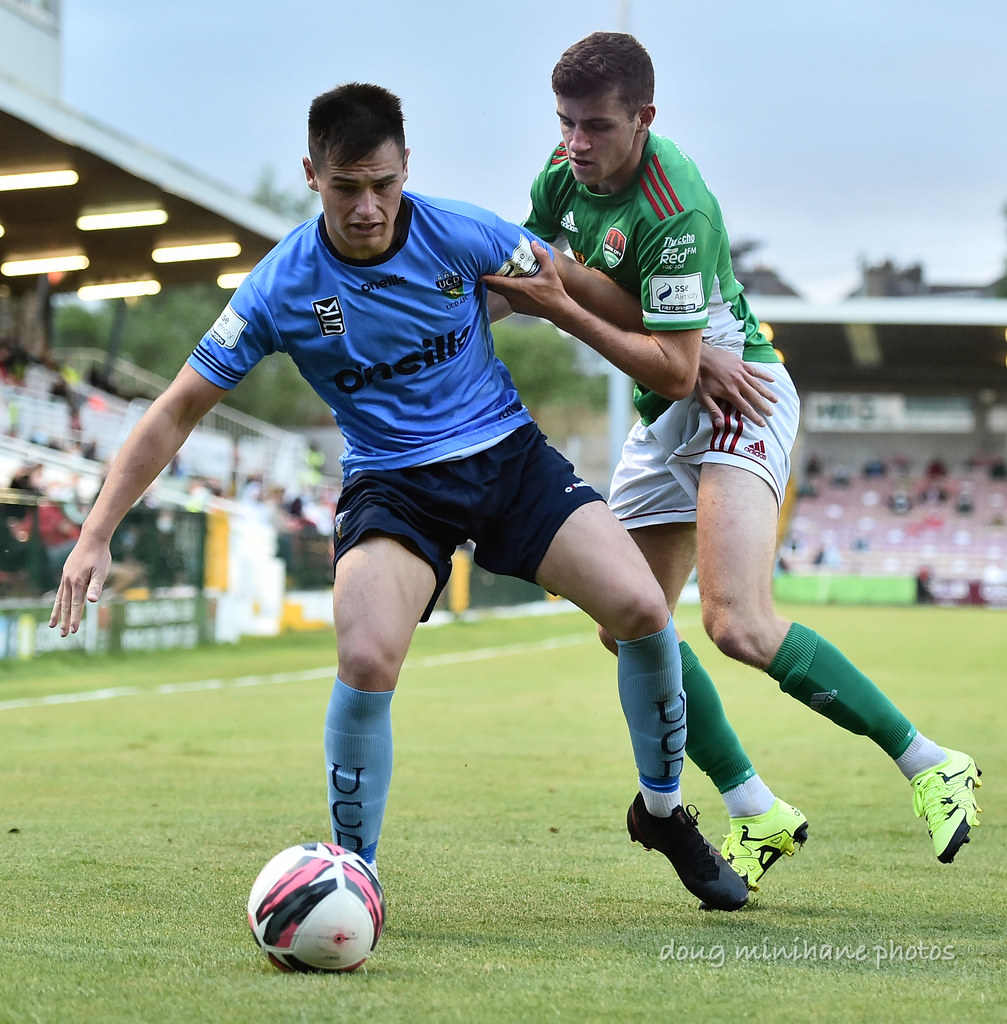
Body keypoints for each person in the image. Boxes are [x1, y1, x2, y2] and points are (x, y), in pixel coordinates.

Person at [49, 83, 749, 912]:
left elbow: (571, 284)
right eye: (347, 188)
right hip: (392, 483)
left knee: (640, 607)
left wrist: (685, 350)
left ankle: (663, 813)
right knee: (366, 657)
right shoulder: (280, 287)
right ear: (312, 175)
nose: (368, 208)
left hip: (507, 457)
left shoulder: (465, 232)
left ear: (406, 167)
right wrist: (95, 532)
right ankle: (351, 878)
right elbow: (173, 412)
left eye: (383, 184)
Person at [485, 32, 982, 889]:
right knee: (625, 625)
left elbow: (672, 360)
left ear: (643, 118)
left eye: (596, 126)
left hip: (735, 395)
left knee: (736, 625)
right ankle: (757, 808)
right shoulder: (560, 174)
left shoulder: (676, 207)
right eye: (565, 123)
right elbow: (533, 273)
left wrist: (562, 308)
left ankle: (932, 762)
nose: (575, 144)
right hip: (665, 409)